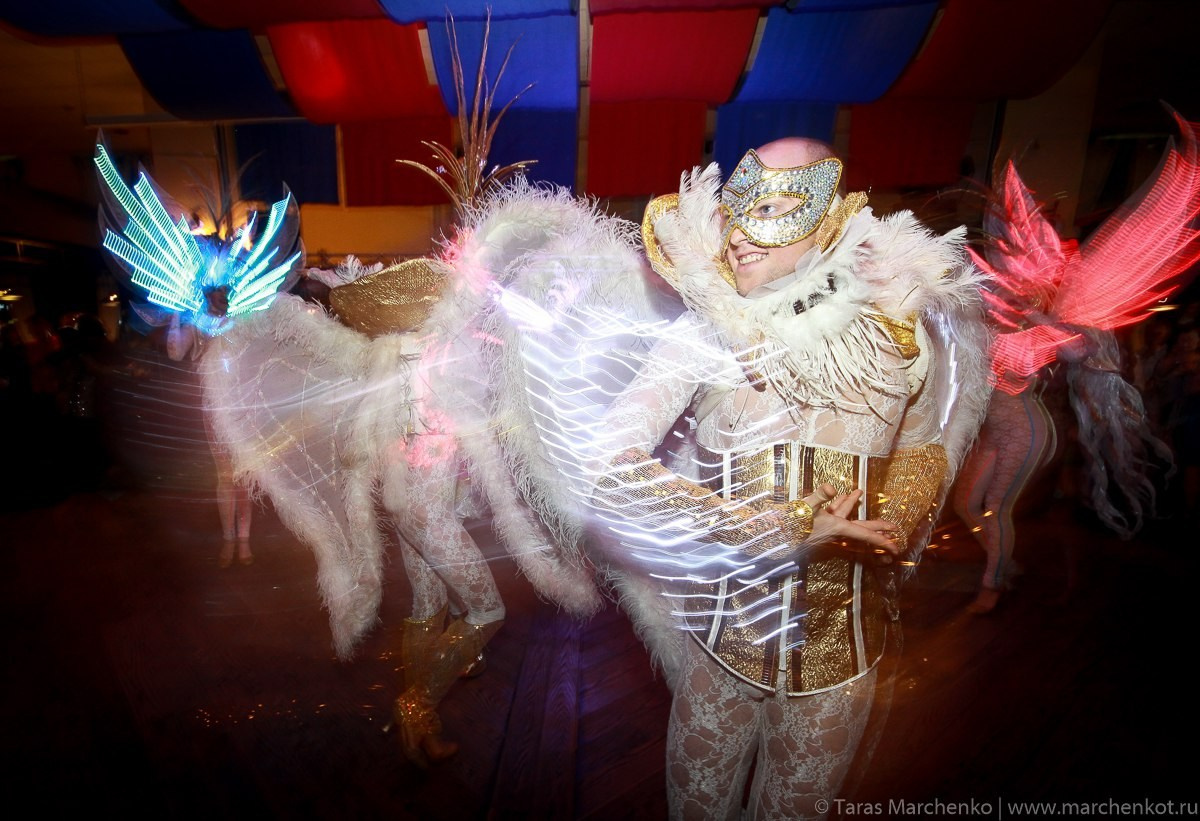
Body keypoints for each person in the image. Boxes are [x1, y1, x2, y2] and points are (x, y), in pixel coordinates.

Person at [585, 138, 989, 819]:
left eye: (768, 207)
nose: (739, 232)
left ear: (827, 216)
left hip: (842, 655)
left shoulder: (896, 336)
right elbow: (606, 467)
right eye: (733, 211)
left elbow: (923, 449)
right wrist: (779, 525)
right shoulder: (704, 336)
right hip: (724, 650)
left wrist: (893, 515)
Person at [167, 285, 253, 568]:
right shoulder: (197, 326)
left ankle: (243, 540)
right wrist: (176, 314)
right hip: (214, 411)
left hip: (242, 410)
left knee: (243, 475)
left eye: (226, 295)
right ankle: (229, 539)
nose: (223, 300)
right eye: (218, 295)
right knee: (225, 475)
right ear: (207, 297)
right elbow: (175, 352)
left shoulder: (240, 324)